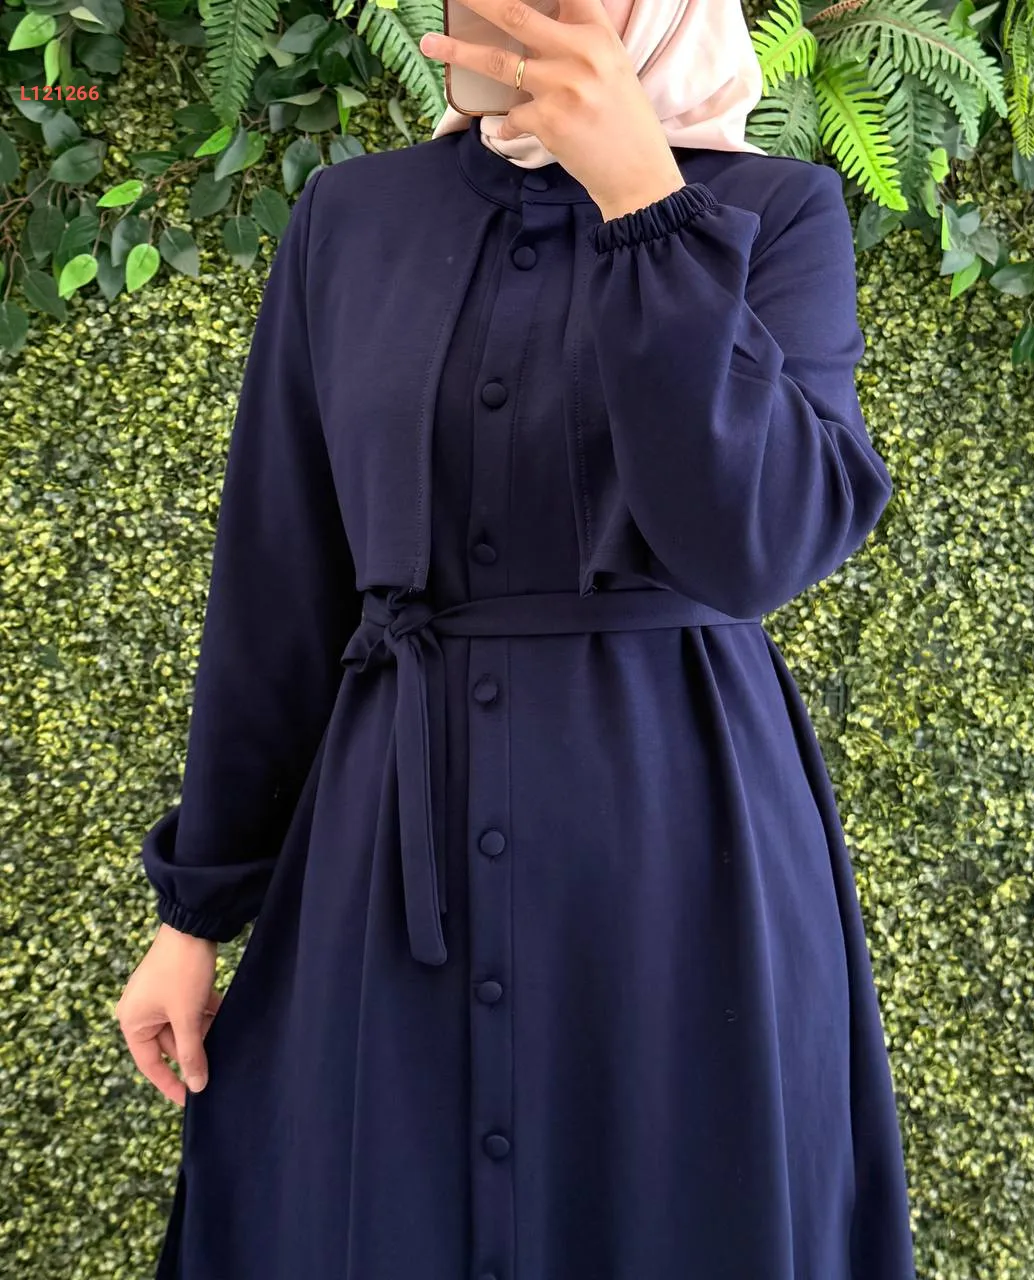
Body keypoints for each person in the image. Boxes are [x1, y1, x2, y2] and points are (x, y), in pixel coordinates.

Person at [114, 0, 917, 1275]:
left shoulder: (778, 213)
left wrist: (645, 201)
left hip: (679, 866)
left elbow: (764, 542)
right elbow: (280, 579)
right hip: (386, 853)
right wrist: (194, 912)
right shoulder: (351, 219)